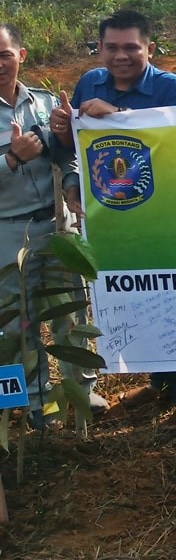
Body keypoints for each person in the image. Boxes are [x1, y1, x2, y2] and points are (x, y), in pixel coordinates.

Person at [54, 9, 176, 432]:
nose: (121, 56)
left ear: (149, 49)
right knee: (141, 299)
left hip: (171, 218)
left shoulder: (173, 89)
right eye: (112, 47)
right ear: (100, 48)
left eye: (131, 48)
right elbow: (74, 148)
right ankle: (160, 380)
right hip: (116, 221)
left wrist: (117, 114)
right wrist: (65, 132)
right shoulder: (87, 84)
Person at [0, 23, 103, 425]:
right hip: (6, 231)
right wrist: (11, 158)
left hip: (57, 228)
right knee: (13, 322)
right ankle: (31, 402)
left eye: (5, 55)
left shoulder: (43, 104)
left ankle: (83, 393)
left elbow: (66, 157)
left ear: (21, 56)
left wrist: (74, 185)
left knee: (70, 311)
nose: (0, 65)